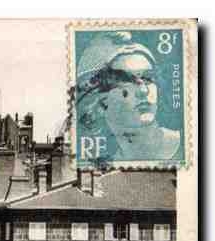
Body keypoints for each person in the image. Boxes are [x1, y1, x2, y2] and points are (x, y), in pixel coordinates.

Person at [76, 31, 181, 162]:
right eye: (126, 81)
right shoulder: (110, 160)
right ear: (100, 98)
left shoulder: (186, 146)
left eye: (149, 78)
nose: (143, 90)